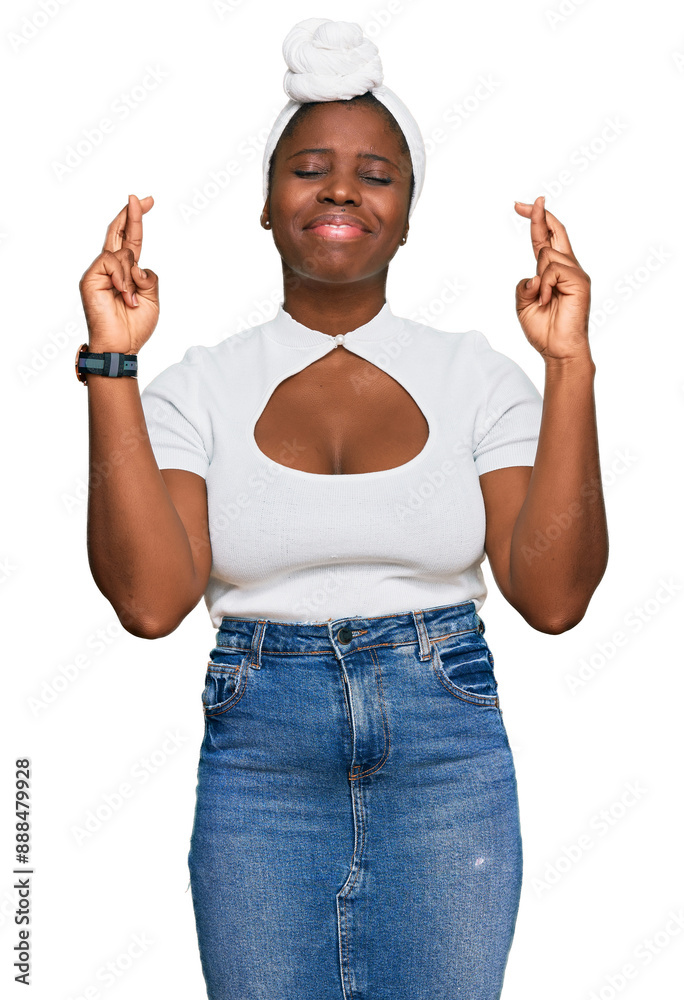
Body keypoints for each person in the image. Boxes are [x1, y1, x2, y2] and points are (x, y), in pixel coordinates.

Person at [77, 16, 608, 1000]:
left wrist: (567, 363)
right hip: (260, 762)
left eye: (377, 174)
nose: (340, 189)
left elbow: (553, 595)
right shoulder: (197, 388)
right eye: (310, 167)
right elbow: (152, 604)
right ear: (269, 206)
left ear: (407, 216)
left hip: (445, 752)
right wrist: (113, 361)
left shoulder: (476, 378)